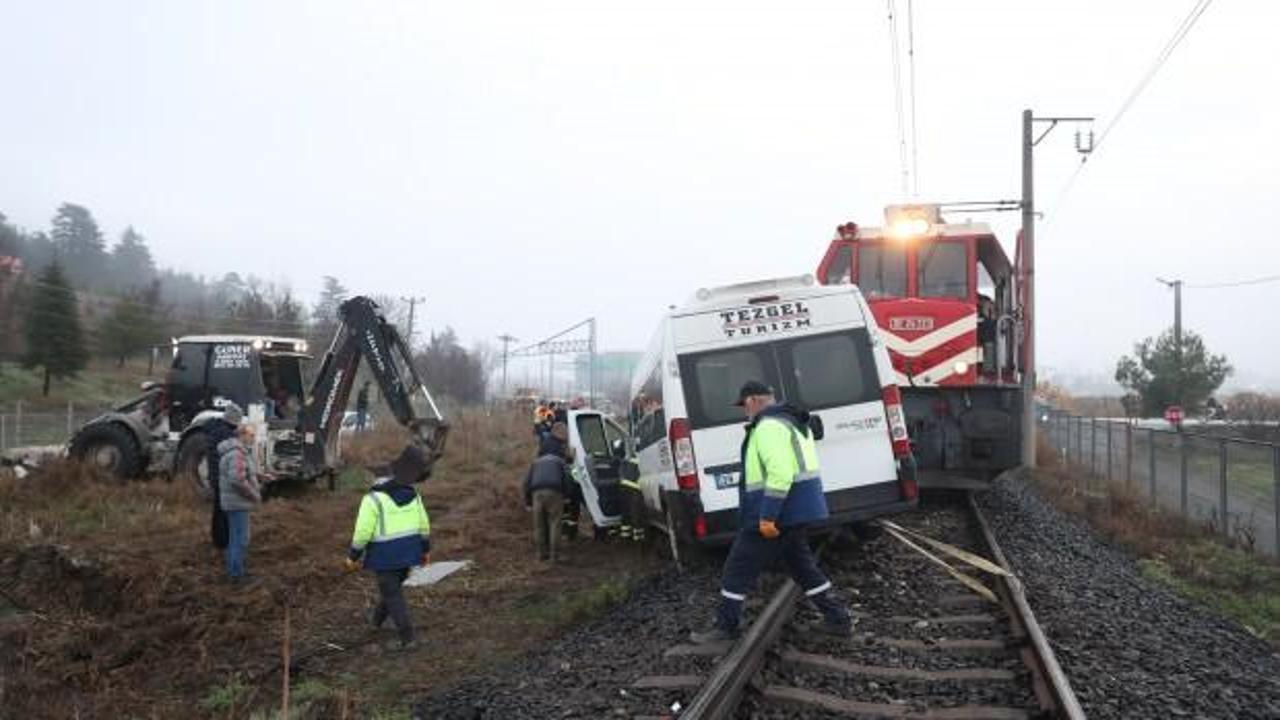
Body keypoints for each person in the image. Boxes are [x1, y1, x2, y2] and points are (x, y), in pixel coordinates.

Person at [690, 381, 851, 643]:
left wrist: (767, 516)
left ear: (753, 400)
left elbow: (780, 473)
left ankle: (725, 627)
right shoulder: (791, 423)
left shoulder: (767, 428)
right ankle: (838, 619)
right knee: (802, 567)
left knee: (736, 569)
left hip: (779, 513)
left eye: (744, 405)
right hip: (797, 510)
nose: (744, 411)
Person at [344, 445, 432, 652]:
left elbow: (363, 532)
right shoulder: (414, 495)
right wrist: (425, 550)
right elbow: (424, 525)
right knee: (391, 589)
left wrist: (353, 556)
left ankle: (408, 638)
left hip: (385, 556)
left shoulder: (372, 499)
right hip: (410, 554)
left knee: (393, 594)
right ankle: (375, 621)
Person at [218, 420, 264, 583]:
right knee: (241, 539)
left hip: (233, 502)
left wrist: (259, 477)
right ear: (242, 435)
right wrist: (253, 494)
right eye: (251, 435)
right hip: (238, 503)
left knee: (235, 538)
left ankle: (234, 571)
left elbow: (242, 474)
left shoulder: (237, 452)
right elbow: (237, 479)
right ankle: (237, 575)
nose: (253, 438)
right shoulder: (238, 453)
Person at [524, 446, 571, 562]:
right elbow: (567, 479)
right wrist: (566, 496)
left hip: (537, 493)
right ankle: (555, 556)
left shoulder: (535, 462)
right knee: (555, 523)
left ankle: (541, 555)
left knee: (539, 526)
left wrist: (528, 503)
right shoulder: (560, 461)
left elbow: (526, 483)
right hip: (554, 492)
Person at [208, 403, 243, 552]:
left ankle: (218, 539)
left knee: (218, 510)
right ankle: (223, 541)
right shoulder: (225, 435)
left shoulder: (215, 430)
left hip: (215, 476)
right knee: (224, 511)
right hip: (223, 478)